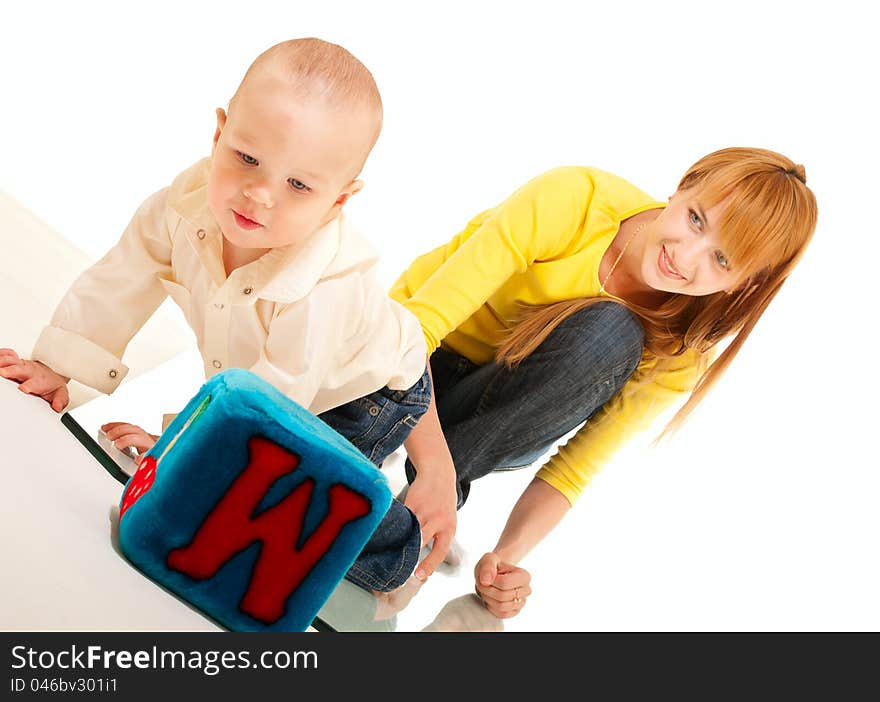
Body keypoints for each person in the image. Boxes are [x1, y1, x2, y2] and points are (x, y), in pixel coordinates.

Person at [0, 38, 438, 593]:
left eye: (298, 184)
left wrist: (177, 449)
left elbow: (276, 401)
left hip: (364, 393)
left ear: (338, 202)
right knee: (231, 479)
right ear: (219, 133)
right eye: (246, 158)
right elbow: (121, 278)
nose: (258, 193)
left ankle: (399, 548)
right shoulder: (184, 205)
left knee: (293, 512)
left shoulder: (323, 288)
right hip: (274, 382)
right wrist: (56, 365)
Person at [390, 147, 818, 618]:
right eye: (696, 219)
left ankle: (415, 510)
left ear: (744, 283)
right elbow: (416, 331)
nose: (686, 256)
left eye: (722, 259)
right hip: (398, 360)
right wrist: (436, 469)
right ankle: (403, 476)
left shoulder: (680, 352)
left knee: (610, 334)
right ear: (683, 185)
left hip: (477, 421)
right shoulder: (575, 199)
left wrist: (505, 561)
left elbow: (572, 471)